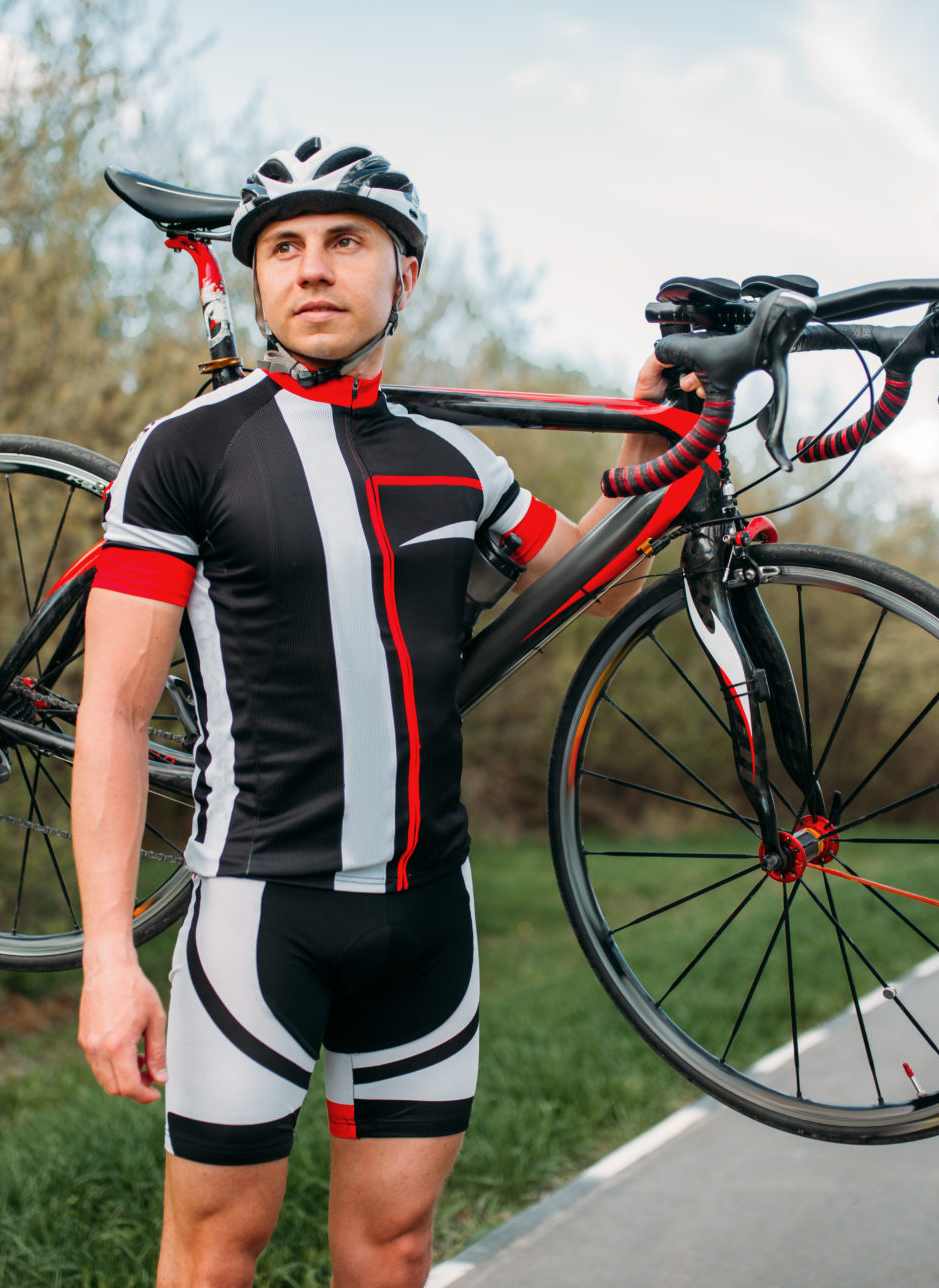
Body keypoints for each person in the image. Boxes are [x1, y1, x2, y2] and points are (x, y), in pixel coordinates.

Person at [73, 137, 682, 1288]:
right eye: (284, 247)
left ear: (401, 271)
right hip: (262, 913)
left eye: (345, 241)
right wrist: (110, 953)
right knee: (215, 1253)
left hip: (425, 923)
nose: (311, 268)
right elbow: (111, 711)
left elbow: (601, 586)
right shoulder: (186, 456)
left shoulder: (456, 463)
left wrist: (649, 450)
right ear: (254, 277)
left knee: (394, 1250)